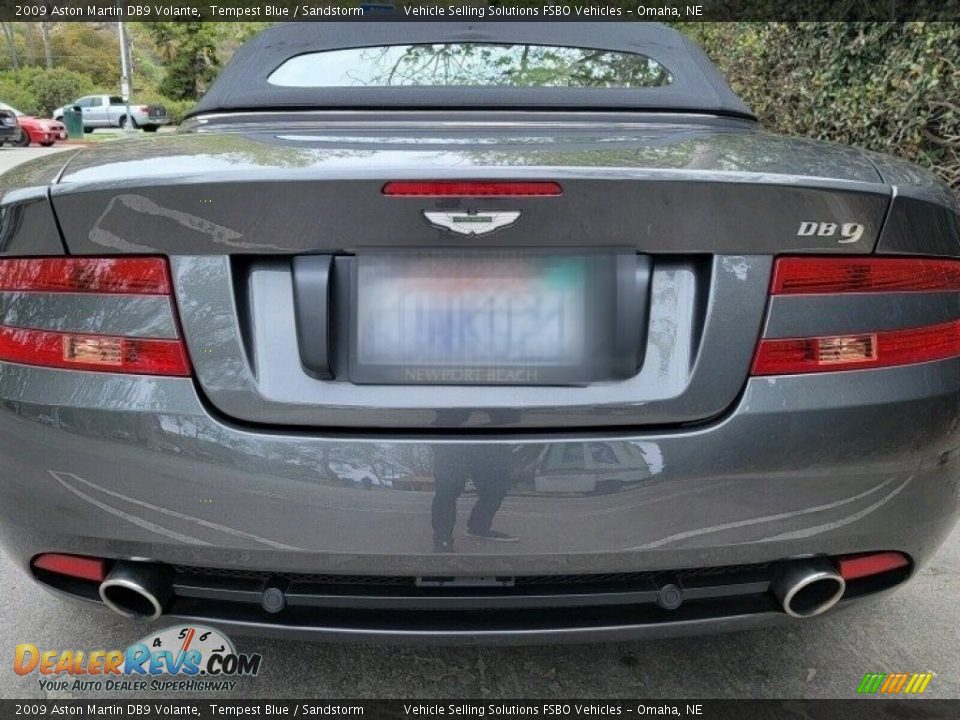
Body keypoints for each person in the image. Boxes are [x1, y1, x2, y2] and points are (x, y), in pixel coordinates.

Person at [432, 443, 516, 552]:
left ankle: (479, 526)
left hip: (486, 439)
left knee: (496, 486)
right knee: (449, 486)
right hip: (452, 438)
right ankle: (442, 538)